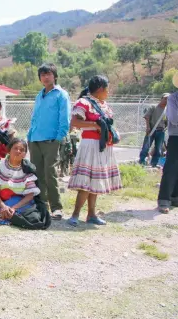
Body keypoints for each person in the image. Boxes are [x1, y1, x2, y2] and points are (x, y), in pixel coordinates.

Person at [67, 75, 122, 226]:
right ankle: (75, 214)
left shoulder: (103, 104)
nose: (108, 92)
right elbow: (75, 122)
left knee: (95, 181)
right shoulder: (84, 103)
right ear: (100, 89)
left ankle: (91, 214)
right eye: (107, 89)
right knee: (86, 181)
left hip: (103, 146)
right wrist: (96, 125)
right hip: (91, 145)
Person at [26, 63, 71, 220]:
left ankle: (56, 207)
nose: (45, 77)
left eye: (48, 74)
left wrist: (58, 138)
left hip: (51, 140)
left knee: (49, 173)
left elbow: (64, 119)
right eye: (42, 74)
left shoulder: (61, 95)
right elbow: (35, 117)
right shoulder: (40, 95)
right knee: (37, 174)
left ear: (54, 75)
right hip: (35, 140)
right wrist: (29, 136)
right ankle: (40, 205)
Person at [0, 139, 41, 226]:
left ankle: (12, 215)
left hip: (20, 201)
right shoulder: (0, 167)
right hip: (2, 201)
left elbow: (30, 195)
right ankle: (12, 218)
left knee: (14, 212)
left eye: (22, 150)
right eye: (15, 148)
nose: (18, 151)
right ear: (9, 150)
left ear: (24, 154)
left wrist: (14, 208)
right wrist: (3, 206)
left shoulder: (27, 170)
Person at [157, 72, 178, 214]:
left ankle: (175, 197)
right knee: (171, 167)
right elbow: (174, 119)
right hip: (176, 136)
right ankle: (164, 199)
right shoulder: (172, 98)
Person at [139, 93, 169, 167]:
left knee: (158, 149)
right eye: (165, 98)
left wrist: (164, 128)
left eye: (168, 99)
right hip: (152, 130)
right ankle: (142, 161)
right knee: (146, 147)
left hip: (161, 131)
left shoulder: (167, 110)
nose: (166, 101)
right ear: (161, 99)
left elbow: (167, 122)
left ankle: (154, 164)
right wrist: (148, 127)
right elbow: (147, 117)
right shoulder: (153, 107)